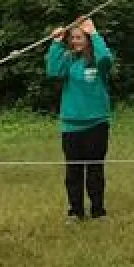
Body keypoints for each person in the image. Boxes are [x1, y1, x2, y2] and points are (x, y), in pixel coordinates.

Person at [46, 17, 113, 222]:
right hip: (71, 125)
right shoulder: (68, 60)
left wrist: (94, 33)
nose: (75, 41)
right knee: (73, 171)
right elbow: (52, 70)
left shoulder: (97, 61)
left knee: (95, 169)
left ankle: (98, 211)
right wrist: (56, 43)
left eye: (80, 37)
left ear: (88, 40)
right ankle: (75, 211)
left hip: (96, 123)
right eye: (73, 38)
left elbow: (106, 59)